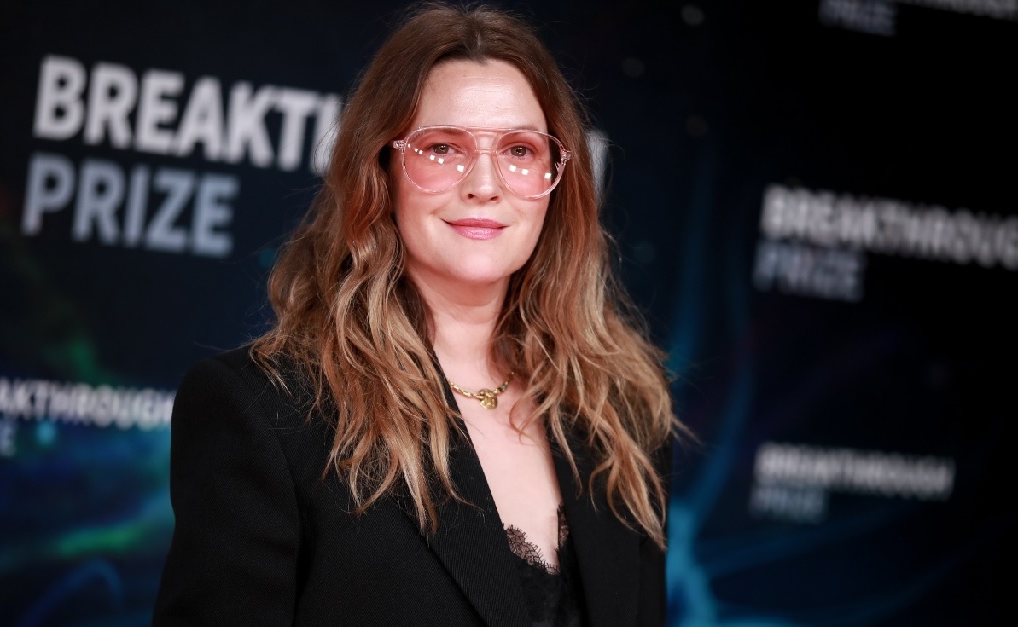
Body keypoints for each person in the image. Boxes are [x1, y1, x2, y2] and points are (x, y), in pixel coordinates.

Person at [153, 3, 685, 626]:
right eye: (442, 148)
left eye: (519, 149)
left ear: (556, 179)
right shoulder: (268, 412)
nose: (484, 183)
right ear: (380, 170)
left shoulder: (621, 416)